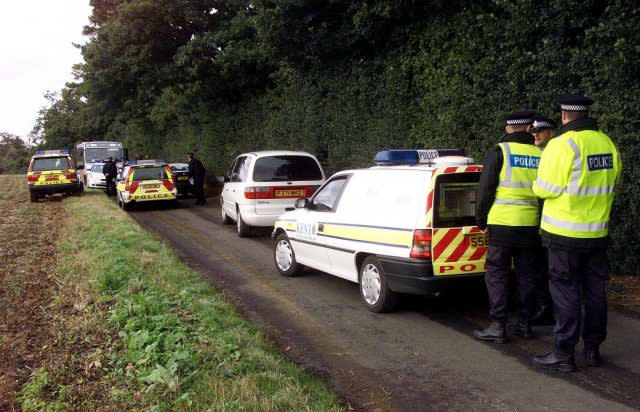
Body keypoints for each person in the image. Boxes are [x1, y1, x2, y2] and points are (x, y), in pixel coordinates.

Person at [532, 94, 621, 372]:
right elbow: (614, 183)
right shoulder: (607, 143)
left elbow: (546, 188)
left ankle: (563, 353)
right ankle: (593, 349)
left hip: (564, 234)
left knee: (565, 291)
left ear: (564, 115)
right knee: (595, 291)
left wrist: (535, 187)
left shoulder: (561, 145)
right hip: (597, 233)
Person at [474, 110, 541, 343]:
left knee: (497, 274)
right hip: (531, 225)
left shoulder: (500, 151)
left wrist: (481, 220)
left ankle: (498, 325)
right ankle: (524, 324)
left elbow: (485, 190)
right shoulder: (540, 153)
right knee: (528, 276)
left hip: (502, 225)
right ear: (529, 129)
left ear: (507, 129)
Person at [530, 115, 557, 326]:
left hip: (552, 223)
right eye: (533, 131)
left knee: (549, 270)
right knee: (539, 269)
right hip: (535, 220)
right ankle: (544, 307)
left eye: (541, 130)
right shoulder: (534, 153)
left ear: (551, 132)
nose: (536, 134)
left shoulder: (556, 153)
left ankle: (548, 309)